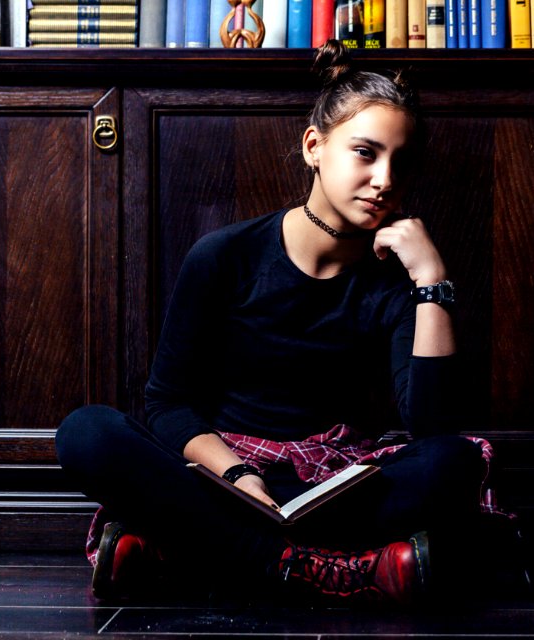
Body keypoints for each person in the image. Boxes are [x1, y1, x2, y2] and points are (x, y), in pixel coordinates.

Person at [56, 39, 504, 607]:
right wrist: (241, 477)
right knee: (86, 433)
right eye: (365, 152)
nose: (385, 179)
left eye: (401, 161)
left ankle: (182, 553)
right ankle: (307, 566)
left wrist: (431, 283)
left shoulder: (395, 283)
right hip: (223, 472)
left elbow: (433, 427)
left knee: (456, 461)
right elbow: (167, 403)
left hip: (330, 484)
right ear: (315, 146)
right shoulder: (225, 255)